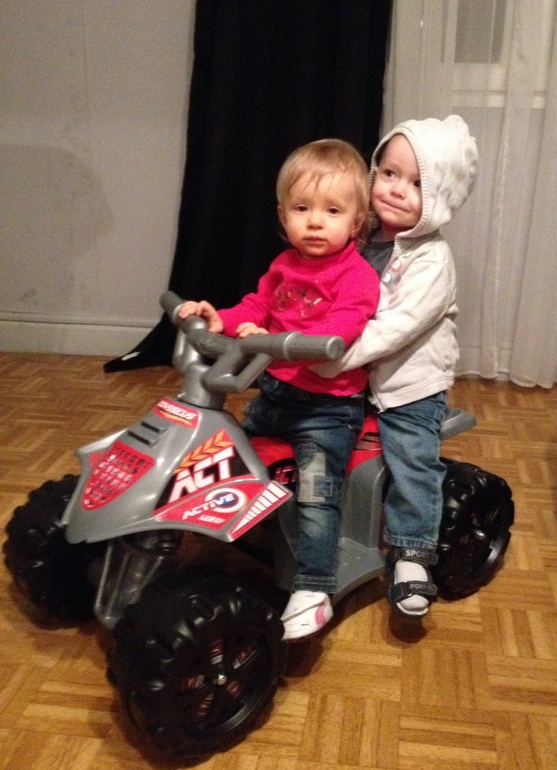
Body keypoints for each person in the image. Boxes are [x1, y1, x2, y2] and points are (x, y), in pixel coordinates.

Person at [179, 139, 381, 639]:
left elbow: (340, 330)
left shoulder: (357, 277)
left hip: (327, 411)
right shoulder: (284, 266)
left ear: (356, 222)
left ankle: (314, 586)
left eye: (332, 211)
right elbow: (256, 307)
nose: (315, 222)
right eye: (302, 208)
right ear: (282, 215)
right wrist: (220, 319)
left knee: (316, 494)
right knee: (231, 456)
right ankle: (225, 527)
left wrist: (279, 342)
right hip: (274, 397)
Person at [314, 115, 479, 619]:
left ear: (441, 198)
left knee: (410, 457)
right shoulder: (358, 236)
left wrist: (332, 357)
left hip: (409, 383)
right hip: (351, 374)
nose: (397, 189)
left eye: (417, 183)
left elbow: (392, 328)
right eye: (389, 173)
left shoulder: (431, 261)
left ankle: (412, 552)